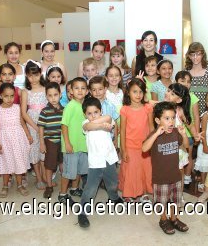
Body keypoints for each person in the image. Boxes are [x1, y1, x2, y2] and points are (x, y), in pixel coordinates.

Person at [142, 101, 189, 234]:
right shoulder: (154, 135)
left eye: (173, 118)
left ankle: (174, 219)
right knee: (161, 202)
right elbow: (144, 148)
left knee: (175, 200)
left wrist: (184, 134)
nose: (171, 122)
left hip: (175, 175)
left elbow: (186, 145)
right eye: (167, 118)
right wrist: (156, 134)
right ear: (158, 120)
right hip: (160, 177)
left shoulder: (175, 132)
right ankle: (163, 219)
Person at [77, 97, 123, 228]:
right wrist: (101, 126)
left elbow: (108, 117)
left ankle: (113, 197)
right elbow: (89, 126)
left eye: (96, 112)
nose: (93, 116)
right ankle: (82, 212)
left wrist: (104, 123)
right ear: (85, 114)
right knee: (90, 189)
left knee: (113, 182)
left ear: (100, 111)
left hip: (109, 158)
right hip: (96, 162)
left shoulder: (107, 118)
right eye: (89, 113)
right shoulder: (85, 124)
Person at [0, 83, 32, 197]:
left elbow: (22, 122)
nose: (9, 99)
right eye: (6, 96)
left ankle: (20, 185)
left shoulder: (17, 107)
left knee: (18, 162)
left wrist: (28, 134)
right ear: (0, 96)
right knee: (6, 162)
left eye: (11, 96)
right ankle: (5, 186)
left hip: (18, 139)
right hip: (5, 140)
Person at [119, 78, 154, 203]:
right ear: (128, 92)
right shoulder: (125, 109)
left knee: (145, 170)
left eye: (140, 92)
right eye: (135, 92)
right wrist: (123, 150)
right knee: (130, 171)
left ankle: (144, 193)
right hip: (130, 146)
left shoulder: (147, 108)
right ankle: (128, 193)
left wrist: (152, 145)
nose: (138, 95)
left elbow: (151, 128)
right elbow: (122, 131)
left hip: (145, 146)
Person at [59, 77, 89, 205]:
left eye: (83, 88)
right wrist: (67, 143)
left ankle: (74, 189)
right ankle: (62, 194)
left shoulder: (86, 106)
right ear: (71, 91)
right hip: (71, 146)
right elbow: (64, 125)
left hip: (83, 145)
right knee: (68, 172)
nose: (80, 91)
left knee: (78, 170)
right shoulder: (70, 106)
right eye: (76, 88)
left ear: (87, 91)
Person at [21, 60, 48, 190]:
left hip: (45, 122)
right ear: (26, 76)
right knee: (34, 151)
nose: (34, 78)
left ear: (40, 74)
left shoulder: (46, 88)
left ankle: (44, 177)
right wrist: (35, 127)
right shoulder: (25, 91)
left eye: (36, 75)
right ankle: (38, 178)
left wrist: (44, 126)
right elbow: (23, 113)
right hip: (32, 123)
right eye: (30, 75)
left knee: (44, 151)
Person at [38, 82, 64, 199]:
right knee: (49, 166)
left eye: (55, 95)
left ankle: (65, 185)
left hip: (62, 141)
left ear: (60, 95)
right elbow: (41, 127)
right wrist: (42, 143)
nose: (53, 98)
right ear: (46, 96)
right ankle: (49, 186)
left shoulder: (65, 110)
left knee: (63, 163)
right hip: (50, 142)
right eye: (50, 95)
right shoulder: (44, 111)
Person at [174, 71, 200, 187]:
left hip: (188, 133)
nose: (186, 84)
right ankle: (176, 177)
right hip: (174, 133)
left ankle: (188, 178)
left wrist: (196, 133)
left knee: (188, 156)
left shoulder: (193, 97)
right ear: (176, 82)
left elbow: (196, 116)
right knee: (176, 157)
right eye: (182, 81)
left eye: (189, 82)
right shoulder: (173, 97)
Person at [194, 90, 208, 192]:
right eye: (207, 101)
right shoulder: (205, 115)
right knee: (204, 165)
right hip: (206, 143)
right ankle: (203, 182)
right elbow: (203, 132)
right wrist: (204, 145)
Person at [184, 42, 208, 114]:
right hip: (189, 110)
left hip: (206, 111)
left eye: (198, 54)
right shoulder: (185, 72)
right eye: (192, 55)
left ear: (203, 55)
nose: (195, 57)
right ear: (189, 56)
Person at [89, 76, 119, 147]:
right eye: (94, 90)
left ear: (105, 89)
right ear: (90, 91)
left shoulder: (110, 106)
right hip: (94, 142)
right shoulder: (88, 107)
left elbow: (115, 123)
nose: (97, 92)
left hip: (109, 140)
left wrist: (116, 139)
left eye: (100, 89)